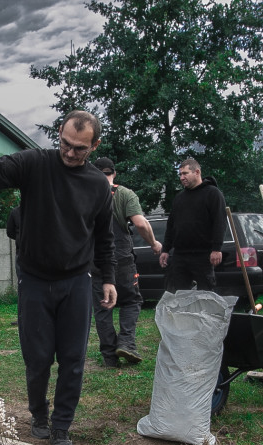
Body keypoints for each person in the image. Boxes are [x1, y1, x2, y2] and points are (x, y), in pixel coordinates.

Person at [0, 110, 116, 445]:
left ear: (94, 146)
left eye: (79, 149)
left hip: (76, 282)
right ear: (59, 135)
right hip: (35, 280)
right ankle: (39, 413)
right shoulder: (36, 164)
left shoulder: (98, 185)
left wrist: (108, 278)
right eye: (65, 144)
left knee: (73, 359)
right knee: (37, 358)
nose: (69, 153)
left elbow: (105, 237)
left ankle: (62, 425)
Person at [91, 157, 161, 367]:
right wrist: (154, 243)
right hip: (120, 257)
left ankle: (110, 357)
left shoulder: (85, 193)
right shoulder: (124, 194)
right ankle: (127, 343)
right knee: (131, 301)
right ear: (114, 173)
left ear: (94, 173)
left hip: (94, 259)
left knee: (103, 306)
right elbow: (140, 223)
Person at [158, 158, 227, 292]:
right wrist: (165, 249)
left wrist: (217, 248)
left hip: (203, 254)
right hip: (180, 255)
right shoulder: (179, 198)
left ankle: (206, 314)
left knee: (205, 295)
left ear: (197, 172)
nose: (182, 177)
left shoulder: (212, 194)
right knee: (179, 294)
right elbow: (171, 225)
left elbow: (220, 222)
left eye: (185, 173)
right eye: (180, 174)